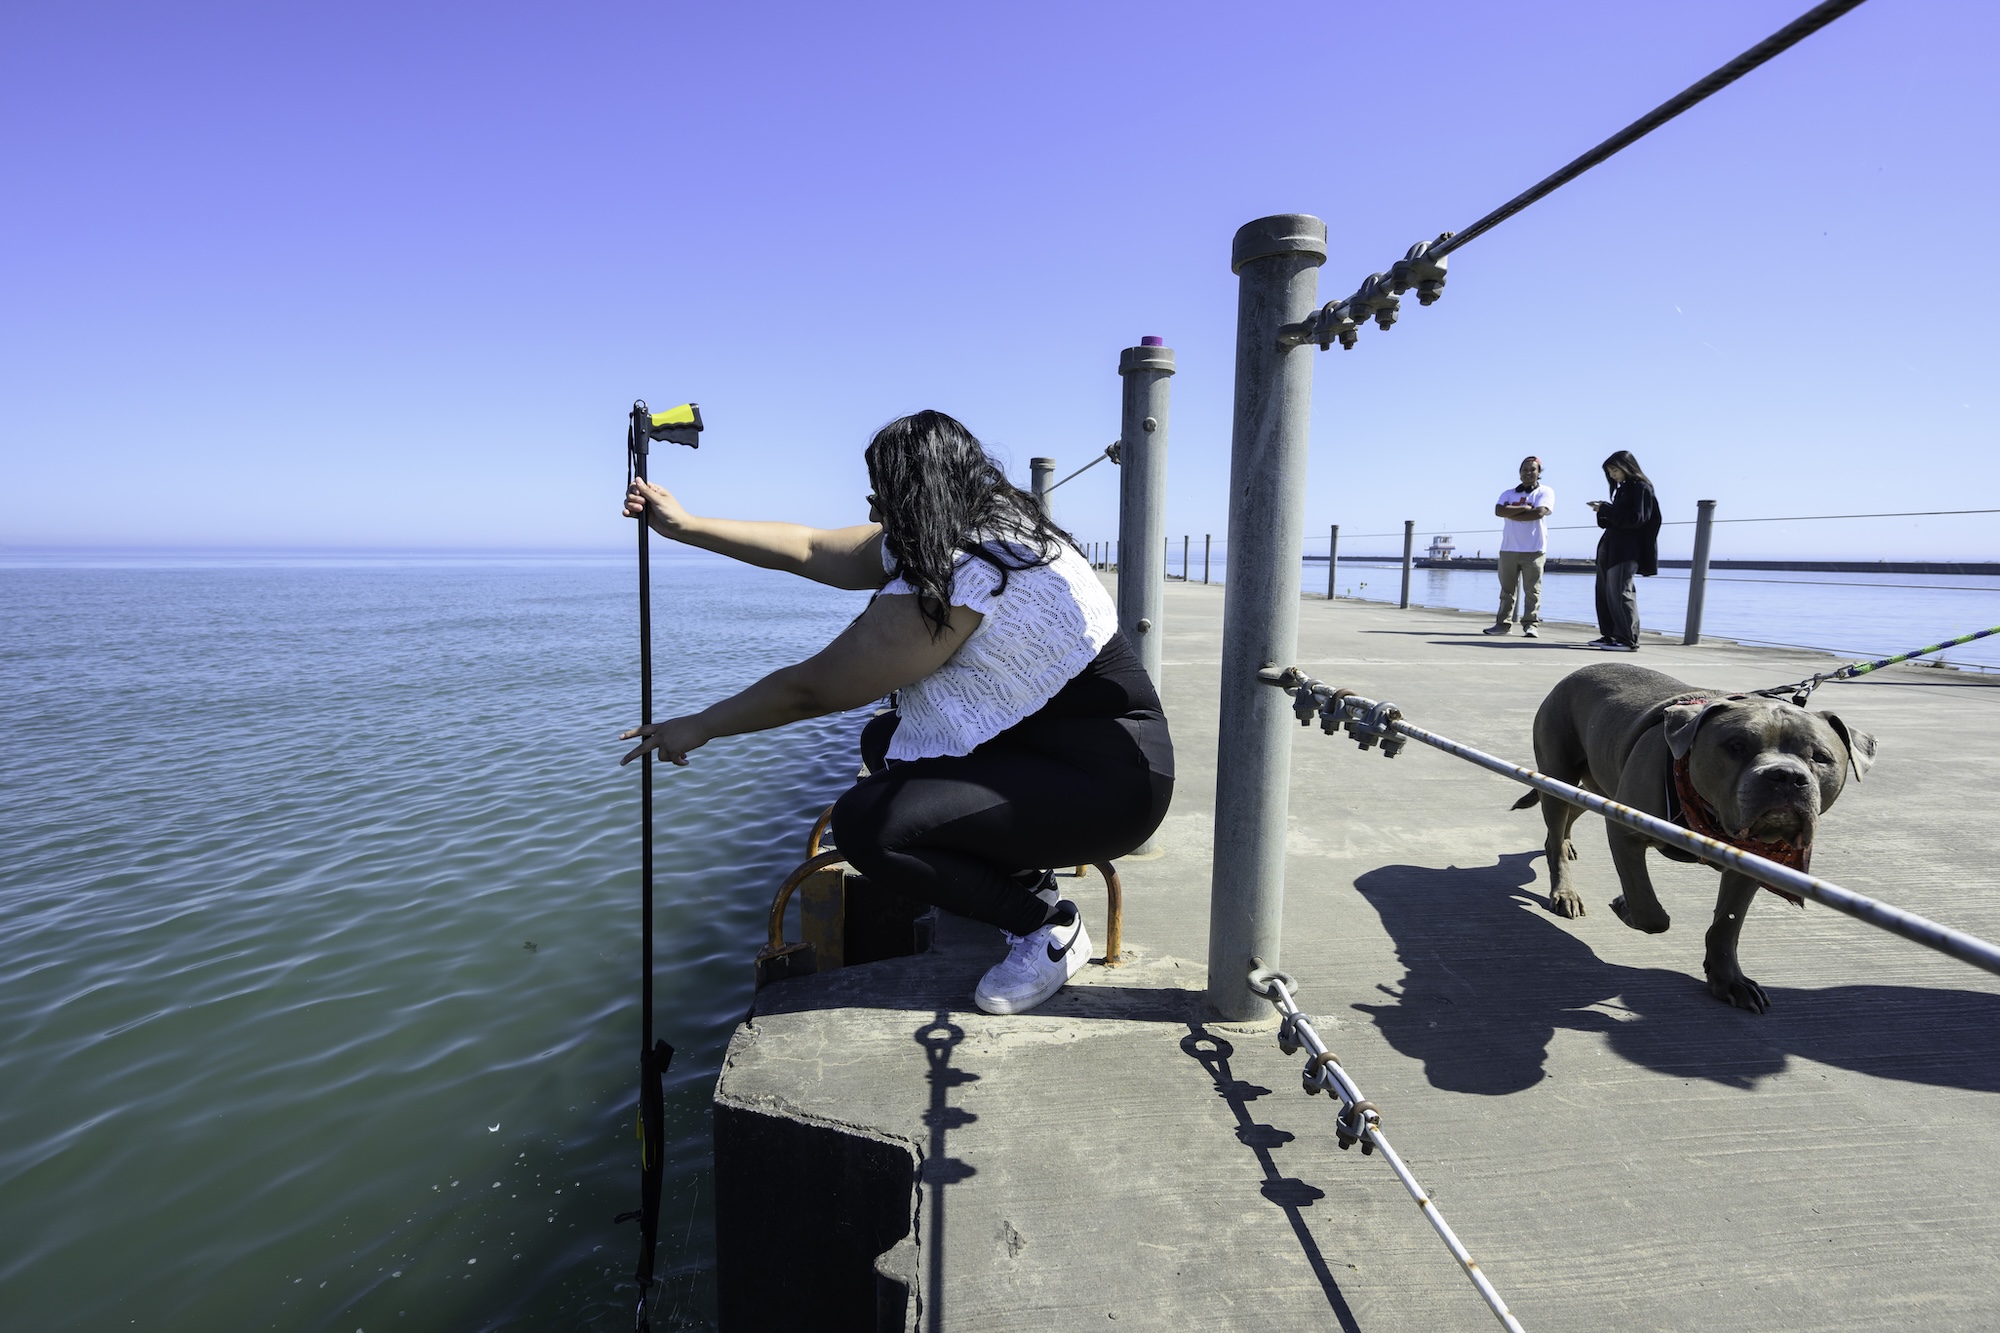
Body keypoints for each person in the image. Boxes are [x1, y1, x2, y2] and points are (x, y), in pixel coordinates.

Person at [617, 410, 1174, 1015]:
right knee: (887, 740)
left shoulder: (970, 568)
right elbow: (810, 549)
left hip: (1113, 785)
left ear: (915, 493)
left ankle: (1045, 927)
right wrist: (688, 525)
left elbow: (815, 689)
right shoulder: (973, 526)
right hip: (1062, 754)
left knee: (869, 825)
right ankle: (1019, 874)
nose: (871, 502)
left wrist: (698, 725)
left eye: (881, 488)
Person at [1585, 450, 1661, 651]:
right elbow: (1617, 518)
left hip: (1626, 549)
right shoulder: (1623, 489)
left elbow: (1636, 519)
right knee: (1604, 591)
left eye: (1615, 470)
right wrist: (1603, 511)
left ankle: (1628, 638)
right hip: (1610, 545)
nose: (1612, 475)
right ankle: (1610, 634)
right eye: (1610, 472)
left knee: (1620, 592)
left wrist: (1606, 510)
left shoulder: (1641, 488)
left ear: (1627, 467)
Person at [1483, 455, 1553, 638]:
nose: (1528, 473)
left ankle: (1530, 624)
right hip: (1509, 549)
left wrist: (1512, 513)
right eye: (1525, 469)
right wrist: (1525, 509)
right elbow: (1499, 511)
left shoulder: (1545, 492)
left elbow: (1540, 512)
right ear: (1519, 472)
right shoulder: (1508, 493)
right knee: (1506, 590)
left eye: (1532, 469)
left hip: (1534, 549)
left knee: (1533, 590)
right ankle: (1502, 625)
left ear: (1539, 473)